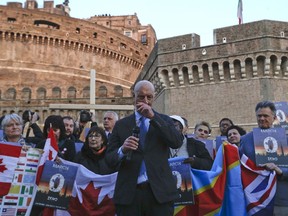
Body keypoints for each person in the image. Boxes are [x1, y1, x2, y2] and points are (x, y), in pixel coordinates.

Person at [105, 80, 183, 216]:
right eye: (141, 96)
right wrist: (122, 150)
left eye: (149, 97)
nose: (145, 101)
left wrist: (153, 117)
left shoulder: (164, 120)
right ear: (133, 97)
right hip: (129, 195)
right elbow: (109, 159)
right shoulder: (121, 125)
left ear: (154, 98)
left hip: (159, 194)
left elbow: (176, 141)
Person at [239, 101, 287, 215]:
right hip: (256, 200)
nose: (261, 118)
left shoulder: (285, 139)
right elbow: (240, 167)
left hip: (281, 199)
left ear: (274, 117)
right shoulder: (245, 140)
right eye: (259, 116)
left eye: (265, 115)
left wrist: (280, 171)